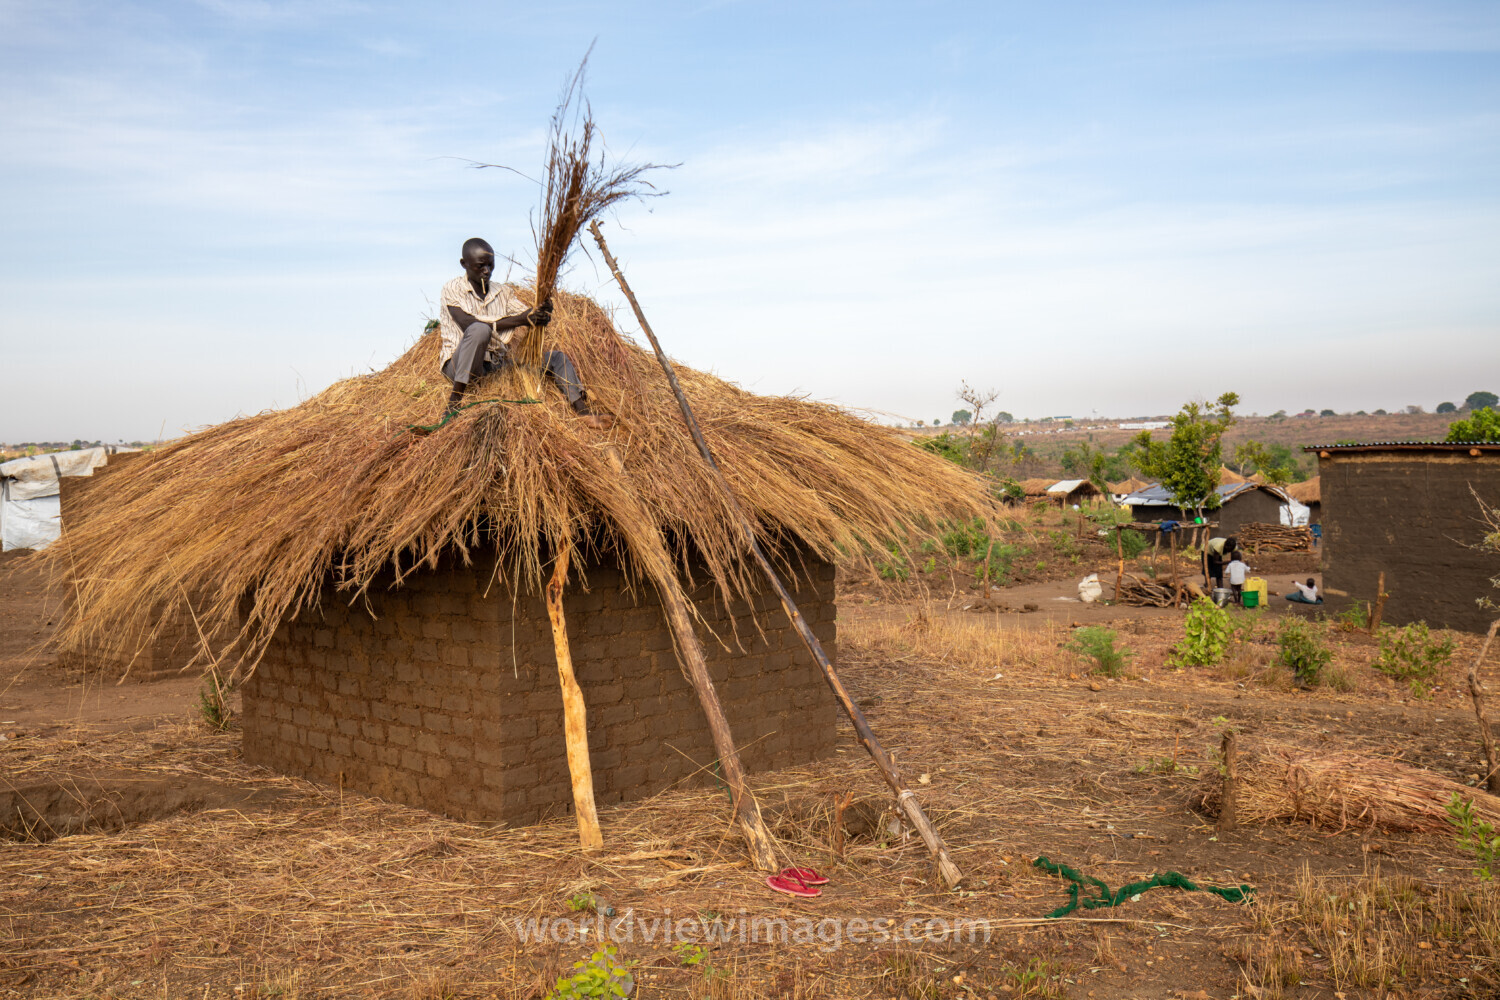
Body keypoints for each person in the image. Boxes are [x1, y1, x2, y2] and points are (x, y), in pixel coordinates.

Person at [436, 237, 611, 429]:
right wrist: (520, 320)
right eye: (480, 266)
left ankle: (582, 411)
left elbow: (524, 313)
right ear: (464, 264)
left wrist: (538, 314)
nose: (487, 271)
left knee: (556, 358)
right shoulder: (452, 289)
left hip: (493, 366)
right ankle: (454, 402)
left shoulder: (502, 292)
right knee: (479, 329)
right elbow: (467, 323)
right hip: (458, 364)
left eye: (490, 265)